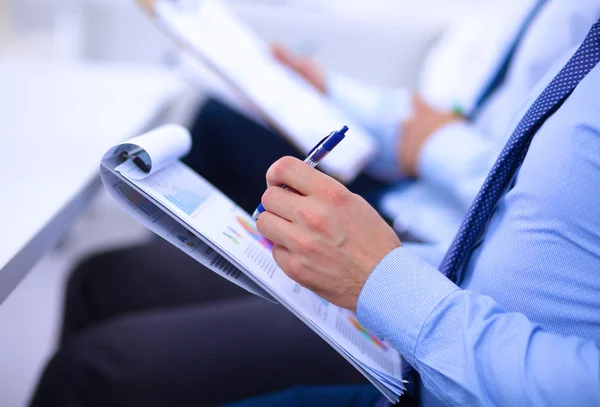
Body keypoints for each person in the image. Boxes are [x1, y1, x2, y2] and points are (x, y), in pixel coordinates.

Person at [28, 2, 600, 407]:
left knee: (93, 371)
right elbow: (509, 185)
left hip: (444, 340)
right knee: (100, 281)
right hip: (442, 278)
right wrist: (331, 93)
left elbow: (470, 161)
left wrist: (382, 277)